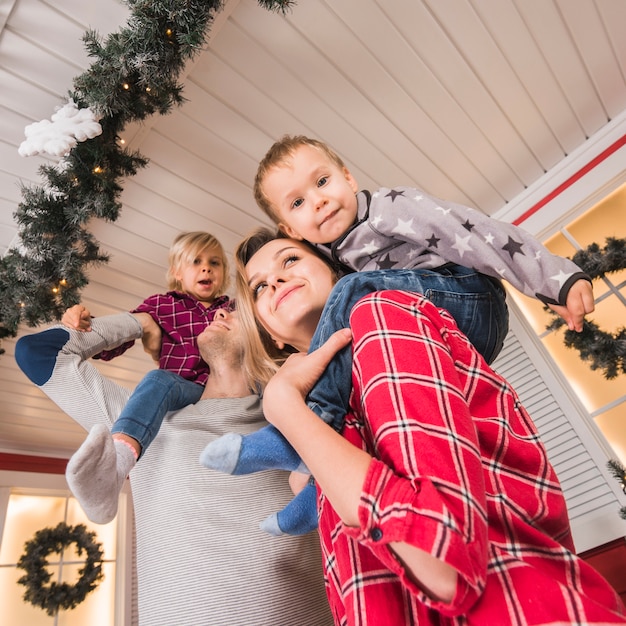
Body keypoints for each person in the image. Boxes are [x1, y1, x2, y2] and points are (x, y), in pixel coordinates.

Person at [202, 134, 594, 535]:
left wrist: (553, 279)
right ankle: (318, 489)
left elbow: (473, 231)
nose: (317, 201)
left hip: (468, 296)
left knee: (355, 292)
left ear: (349, 179)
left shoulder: (388, 210)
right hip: (435, 332)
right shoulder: (345, 273)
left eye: (322, 182)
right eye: (298, 202)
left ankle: (300, 432)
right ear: (292, 227)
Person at [231, 227, 626, 625]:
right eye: (259, 287)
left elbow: (442, 559)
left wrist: (287, 411)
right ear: (271, 336)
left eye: (290, 260)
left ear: (335, 273)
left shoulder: (380, 311)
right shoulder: (326, 429)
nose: (276, 280)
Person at [14, 307, 333, 626]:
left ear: (275, 338)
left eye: (239, 311)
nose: (221, 310)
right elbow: (38, 352)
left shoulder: (297, 418)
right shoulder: (142, 421)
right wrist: (140, 322)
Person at [62, 230, 233, 524]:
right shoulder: (162, 305)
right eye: (196, 261)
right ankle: (115, 466)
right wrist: (83, 324)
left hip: (227, 389)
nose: (206, 268)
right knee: (156, 381)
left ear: (224, 273)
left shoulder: (232, 309)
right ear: (177, 272)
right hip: (184, 389)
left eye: (215, 262)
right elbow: (116, 341)